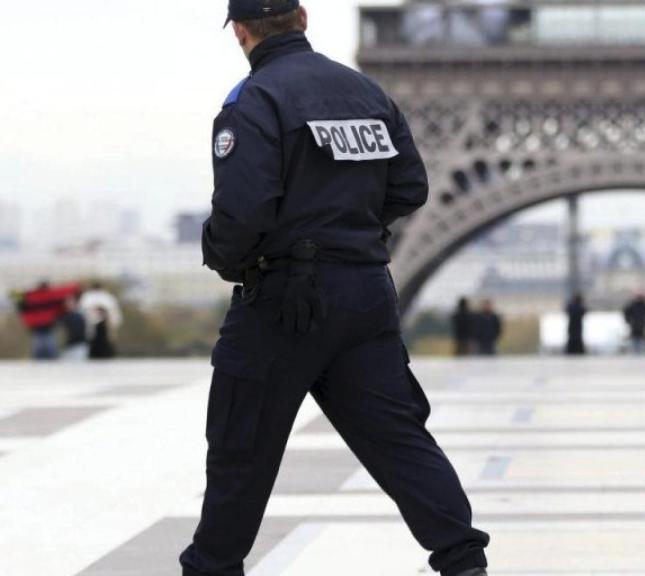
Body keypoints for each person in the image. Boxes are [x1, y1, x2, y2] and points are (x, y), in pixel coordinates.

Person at [180, 3, 490, 576]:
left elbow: (242, 212)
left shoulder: (254, 101)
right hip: (365, 290)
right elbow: (411, 187)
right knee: (398, 436)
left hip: (283, 299)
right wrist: (351, 230)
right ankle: (462, 557)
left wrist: (230, 258)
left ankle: (212, 568)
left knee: (241, 444)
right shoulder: (368, 94)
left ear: (241, 32)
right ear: (302, 17)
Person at [60, 294, 89, 362]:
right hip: (69, 346)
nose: (68, 305)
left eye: (71, 303)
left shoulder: (80, 316)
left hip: (79, 346)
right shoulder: (65, 317)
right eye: (67, 303)